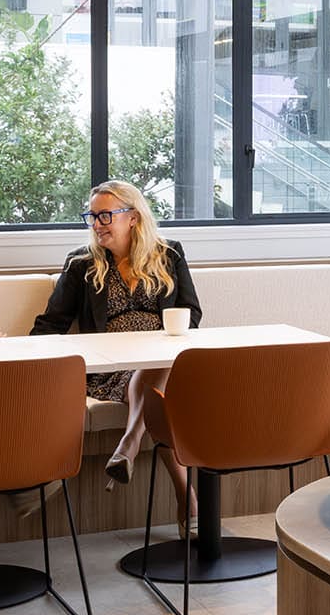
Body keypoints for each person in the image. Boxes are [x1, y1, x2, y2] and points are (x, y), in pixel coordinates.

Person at [31, 180, 202, 507]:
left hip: (167, 358)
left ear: (133, 217)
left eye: (105, 216)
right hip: (111, 367)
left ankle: (130, 445)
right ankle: (186, 498)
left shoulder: (169, 254)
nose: (96, 224)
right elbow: (53, 321)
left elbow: (191, 311)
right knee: (156, 391)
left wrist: (173, 342)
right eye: (92, 216)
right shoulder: (81, 263)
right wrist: (27, 359)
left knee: (158, 368)